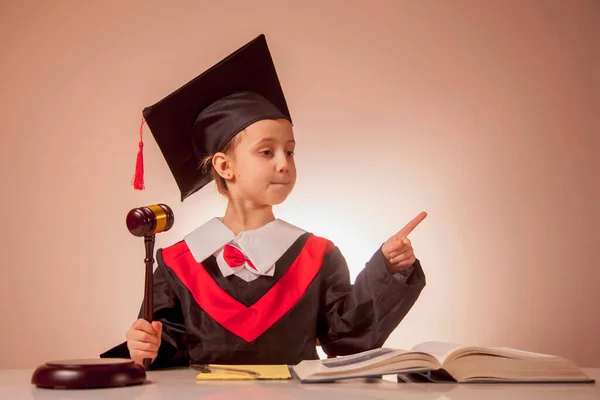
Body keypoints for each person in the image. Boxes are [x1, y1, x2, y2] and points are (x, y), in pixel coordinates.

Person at [101, 34, 427, 368]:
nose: (284, 163)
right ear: (224, 166)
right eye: (266, 152)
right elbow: (163, 347)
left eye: (290, 151)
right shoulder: (177, 263)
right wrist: (145, 347)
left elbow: (346, 340)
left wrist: (389, 269)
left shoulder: (317, 256)